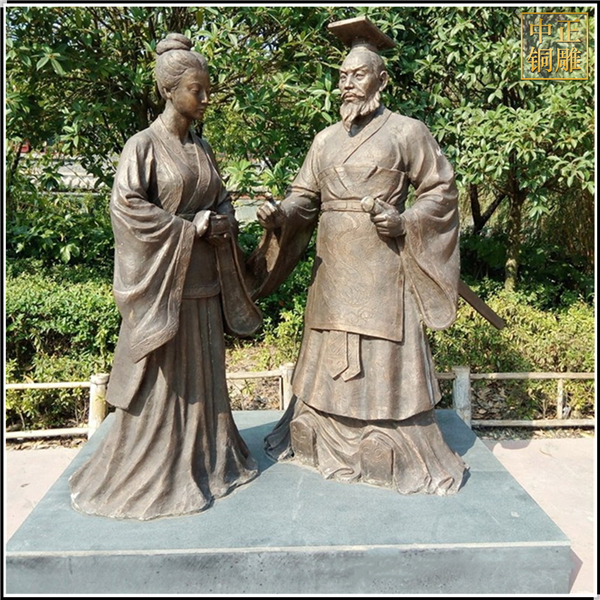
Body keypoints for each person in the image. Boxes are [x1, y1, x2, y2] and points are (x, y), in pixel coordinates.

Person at [249, 17, 468, 495]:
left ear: (381, 80)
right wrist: (280, 214)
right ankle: (320, 430)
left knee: (382, 349)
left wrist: (406, 221)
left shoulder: (408, 131)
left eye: (358, 75)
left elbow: (441, 191)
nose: (347, 84)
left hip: (383, 265)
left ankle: (388, 437)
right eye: (343, 75)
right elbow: (304, 197)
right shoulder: (325, 140)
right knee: (328, 342)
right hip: (332, 266)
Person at [69, 33, 259, 520]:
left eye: (207, 88)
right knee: (164, 386)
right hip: (164, 289)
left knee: (206, 379)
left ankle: (211, 459)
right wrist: (189, 228)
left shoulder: (202, 147)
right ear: (169, 90)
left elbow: (221, 199)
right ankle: (158, 467)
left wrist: (222, 221)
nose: (206, 98)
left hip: (204, 285)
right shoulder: (143, 146)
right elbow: (127, 208)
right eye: (197, 89)